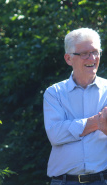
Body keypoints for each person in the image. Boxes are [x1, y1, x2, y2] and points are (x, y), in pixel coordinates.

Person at [43, 28, 107, 185]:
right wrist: (96, 122)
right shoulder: (54, 93)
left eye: (95, 52)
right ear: (68, 59)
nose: (91, 58)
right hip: (64, 181)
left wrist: (73, 128)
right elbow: (56, 135)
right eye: (84, 53)